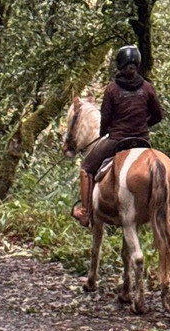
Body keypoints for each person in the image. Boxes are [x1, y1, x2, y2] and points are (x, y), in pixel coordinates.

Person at [71, 45, 165, 227]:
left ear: (119, 65)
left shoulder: (112, 89)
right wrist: (144, 125)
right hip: (142, 141)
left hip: (117, 140)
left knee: (86, 168)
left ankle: (85, 213)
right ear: (137, 64)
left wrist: (104, 133)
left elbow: (105, 118)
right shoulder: (147, 88)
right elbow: (158, 115)